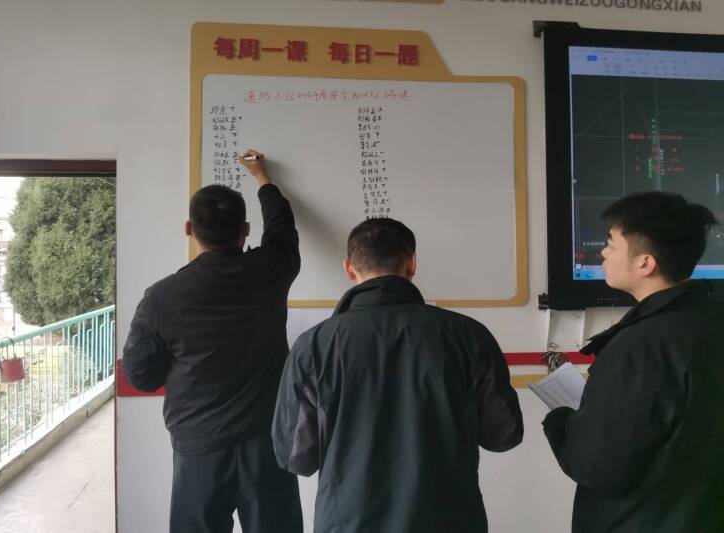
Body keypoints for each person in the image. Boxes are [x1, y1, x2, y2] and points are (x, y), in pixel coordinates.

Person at [272, 217, 523, 533]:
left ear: (349, 269)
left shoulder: (314, 346)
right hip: (448, 520)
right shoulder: (468, 336)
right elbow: (503, 435)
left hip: (349, 523)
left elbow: (294, 456)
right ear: (412, 264)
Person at [122, 149, 303, 533]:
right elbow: (282, 230)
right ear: (246, 230)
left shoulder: (162, 298)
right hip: (266, 444)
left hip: (198, 450)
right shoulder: (270, 271)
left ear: (189, 228)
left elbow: (140, 376)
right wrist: (262, 178)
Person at [542, 191, 724, 532]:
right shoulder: (712, 319)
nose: (602, 253)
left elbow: (598, 464)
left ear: (645, 263)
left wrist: (561, 421)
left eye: (610, 244)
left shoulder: (640, 345)